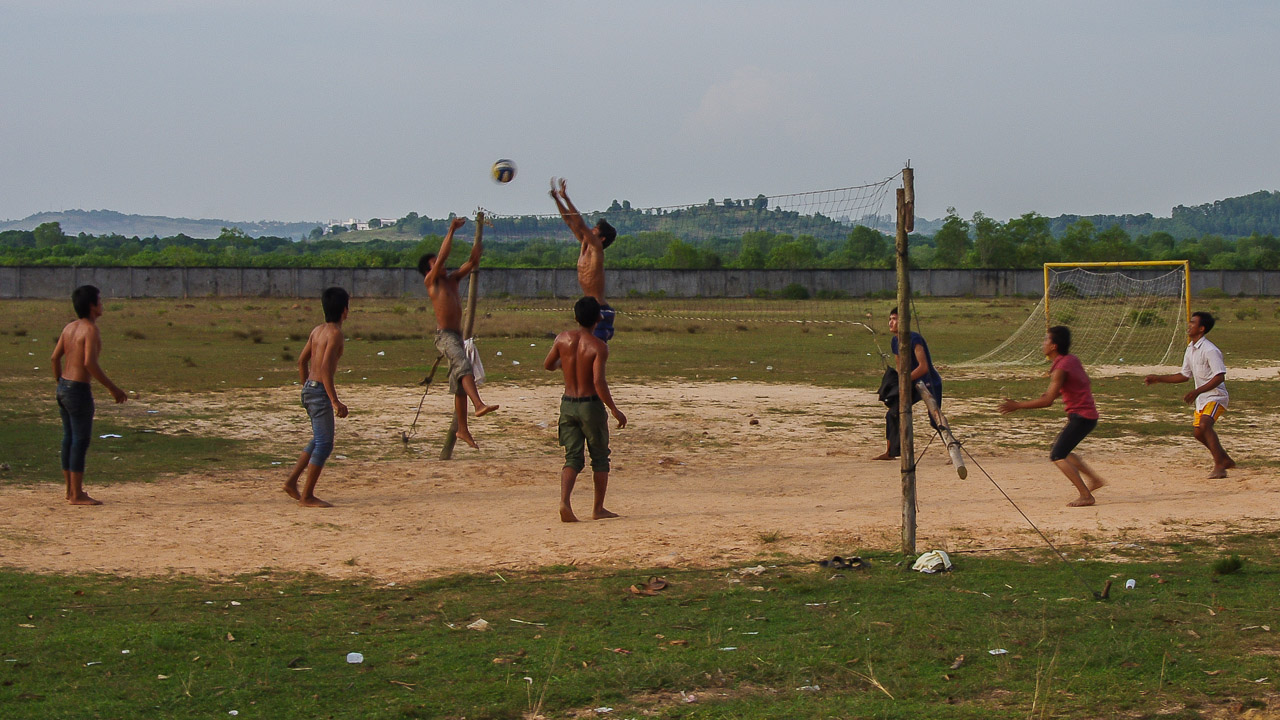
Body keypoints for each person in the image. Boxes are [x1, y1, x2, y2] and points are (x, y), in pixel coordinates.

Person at [999, 325, 1107, 507]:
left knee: (1057, 455)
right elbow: (1075, 385)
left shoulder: (1061, 368)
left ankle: (1086, 496)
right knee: (1064, 450)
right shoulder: (1071, 360)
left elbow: (1048, 401)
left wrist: (1017, 406)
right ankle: (1095, 480)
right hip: (1087, 416)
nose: (1043, 343)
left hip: (1082, 417)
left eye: (1046, 340)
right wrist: (1053, 394)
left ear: (1054, 346)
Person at [544, 296, 628, 522]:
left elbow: (548, 365)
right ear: (599, 319)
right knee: (600, 457)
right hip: (590, 405)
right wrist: (614, 409)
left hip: (568, 404)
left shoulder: (562, 339)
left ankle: (565, 502)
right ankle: (598, 508)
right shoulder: (599, 346)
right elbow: (599, 382)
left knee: (572, 457)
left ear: (575, 317)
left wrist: (567, 361)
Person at [418, 216, 499, 449]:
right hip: (445, 336)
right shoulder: (431, 281)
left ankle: (462, 430)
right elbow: (444, 255)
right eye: (436, 263)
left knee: (458, 383)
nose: (442, 265)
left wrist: (478, 240)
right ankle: (479, 404)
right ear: (429, 270)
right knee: (464, 368)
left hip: (456, 335)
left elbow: (472, 261)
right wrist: (451, 230)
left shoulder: (452, 280)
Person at [50, 285, 128, 505]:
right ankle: (77, 494)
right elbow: (89, 363)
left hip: (64, 387)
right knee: (80, 441)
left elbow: (54, 359)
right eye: (100, 301)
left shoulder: (69, 328)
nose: (102, 305)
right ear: (92, 306)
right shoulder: (91, 330)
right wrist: (113, 388)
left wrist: (60, 384)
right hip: (78, 390)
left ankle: (70, 490)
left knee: (68, 439)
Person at [1144, 311, 1235, 478]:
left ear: (1201, 328)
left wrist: (1197, 391)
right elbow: (1184, 376)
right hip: (1202, 398)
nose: (1189, 325)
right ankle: (1224, 458)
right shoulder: (1191, 348)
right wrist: (1158, 379)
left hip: (1216, 395)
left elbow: (1219, 376)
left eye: (1193, 323)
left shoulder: (1210, 350)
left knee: (1205, 426)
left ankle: (1220, 465)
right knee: (1198, 433)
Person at [282, 287, 350, 508]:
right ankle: (307, 496)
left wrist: (306, 388)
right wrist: (334, 400)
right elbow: (325, 369)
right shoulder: (335, 334)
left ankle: (292, 482)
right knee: (324, 444)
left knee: (318, 439)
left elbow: (302, 362)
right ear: (345, 311)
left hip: (310, 389)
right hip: (320, 390)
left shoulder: (316, 331)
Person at [549, 177, 618, 342]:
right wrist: (557, 199)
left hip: (599, 310)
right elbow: (569, 220)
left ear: (601, 238)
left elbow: (580, 223)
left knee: (593, 352)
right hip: (589, 307)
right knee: (583, 350)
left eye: (595, 229)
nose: (591, 229)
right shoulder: (585, 244)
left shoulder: (597, 249)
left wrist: (566, 198)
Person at [873, 307, 943, 460]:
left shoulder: (915, 339)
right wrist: (897, 382)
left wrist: (905, 380)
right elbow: (900, 366)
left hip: (929, 382)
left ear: (904, 321)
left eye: (895, 319)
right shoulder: (894, 341)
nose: (891, 322)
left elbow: (923, 367)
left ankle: (952, 447)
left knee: (935, 419)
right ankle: (891, 451)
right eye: (890, 319)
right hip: (911, 382)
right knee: (893, 412)